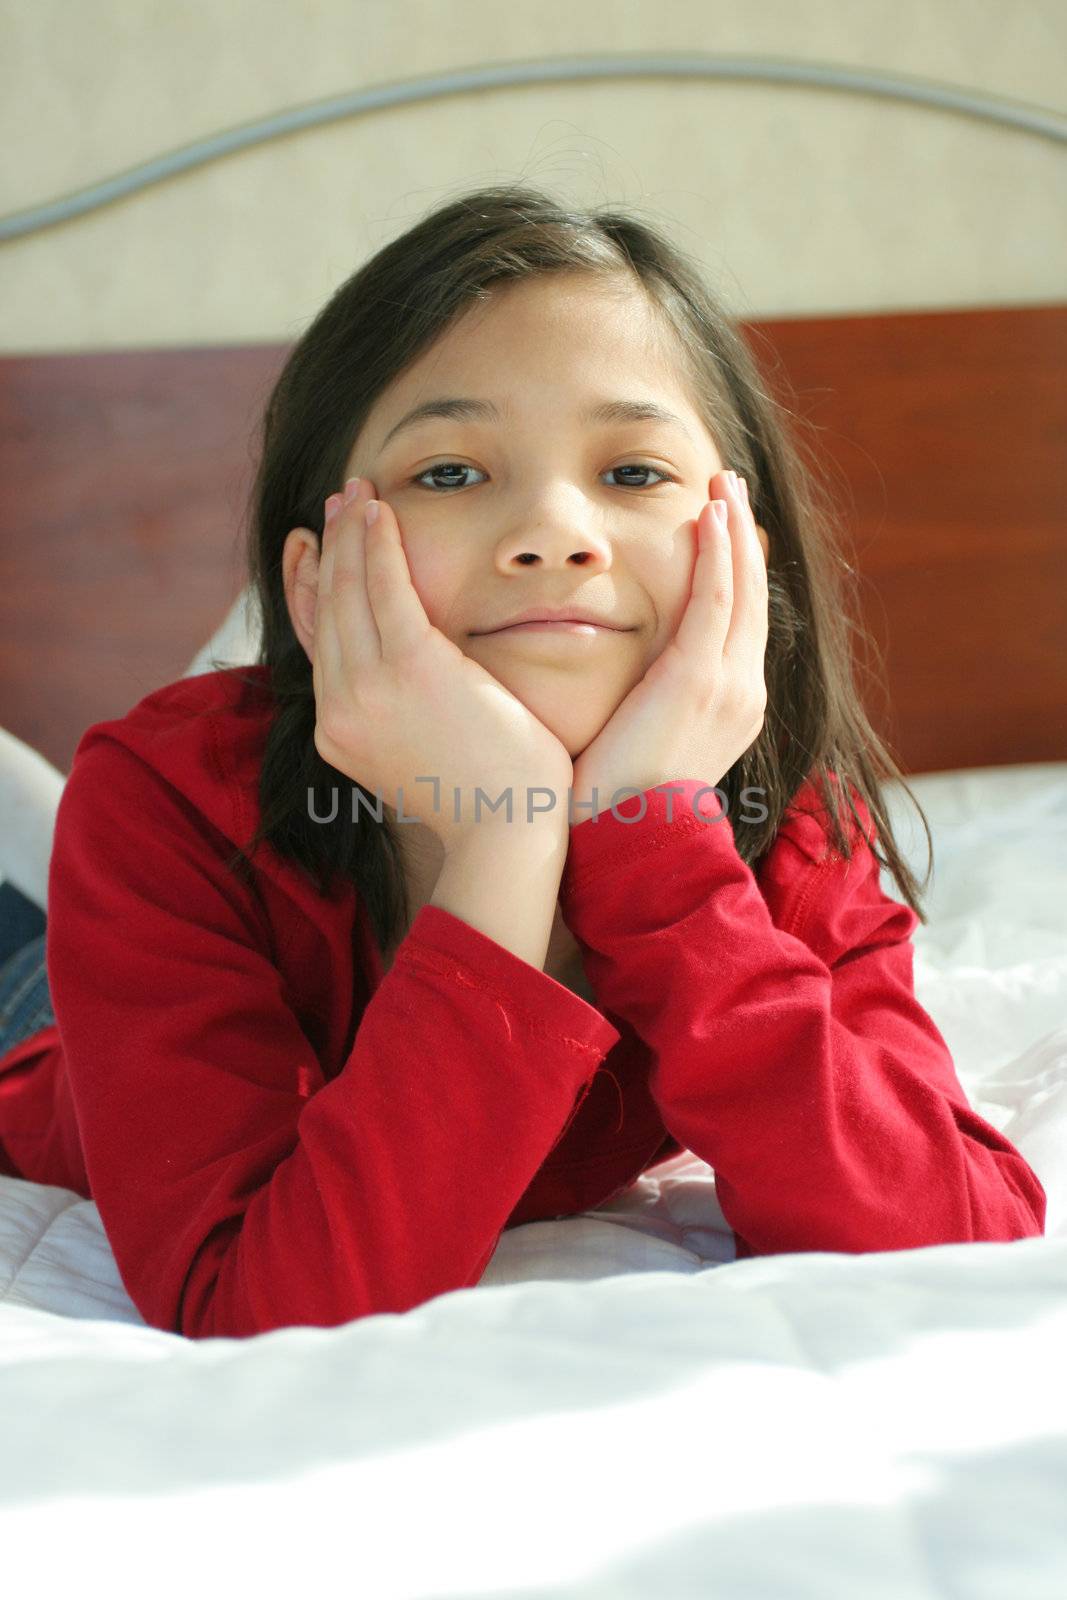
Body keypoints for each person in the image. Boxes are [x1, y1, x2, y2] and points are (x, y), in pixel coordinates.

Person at [0, 183, 1046, 1342]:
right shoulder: (162, 805)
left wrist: (650, 839)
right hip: (49, 1021)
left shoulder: (775, 812)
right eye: (449, 471)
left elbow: (954, 1237)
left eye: (632, 473)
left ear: (740, 560)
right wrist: (504, 837)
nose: (554, 531)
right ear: (311, 584)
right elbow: (256, 1304)